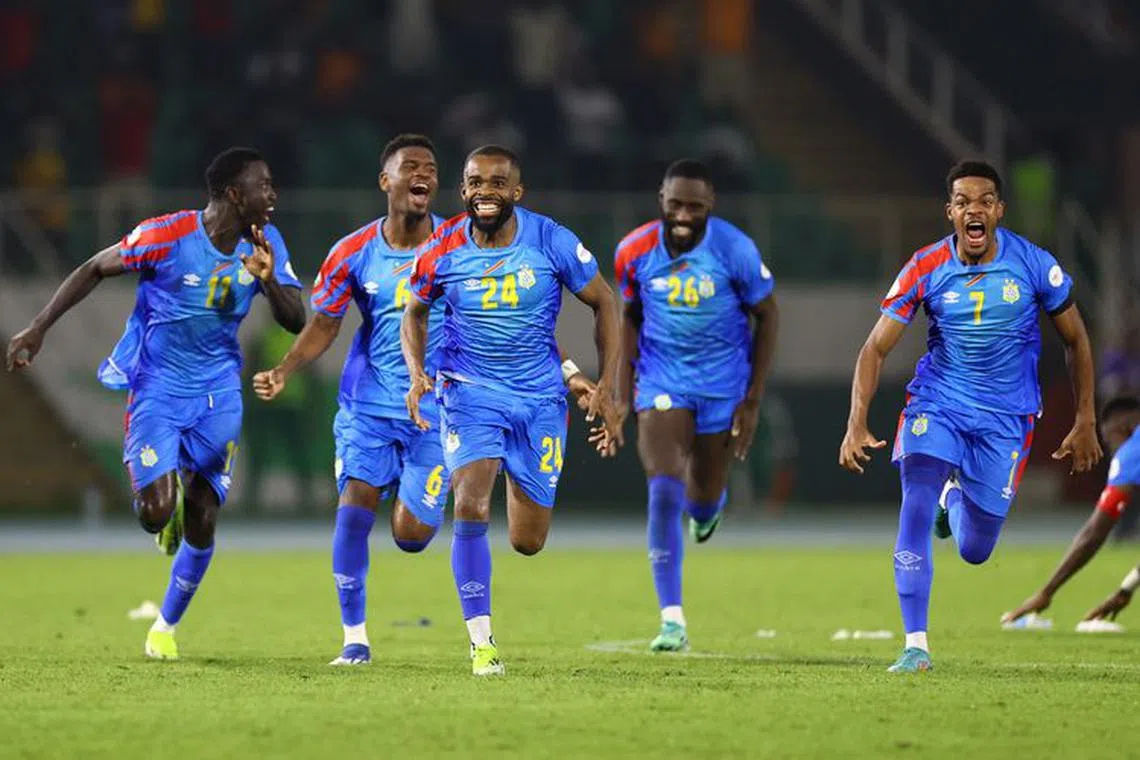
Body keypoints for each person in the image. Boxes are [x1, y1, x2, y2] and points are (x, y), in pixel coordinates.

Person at [253, 135, 599, 666]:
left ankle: (412, 490)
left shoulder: (462, 243)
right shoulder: (353, 251)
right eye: (410, 166)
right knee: (354, 509)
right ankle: (355, 639)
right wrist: (285, 368)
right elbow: (325, 324)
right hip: (369, 405)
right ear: (385, 181)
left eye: (430, 169)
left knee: (413, 536)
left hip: (439, 409)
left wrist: (570, 370)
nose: (422, 175)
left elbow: (518, 326)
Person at [6, 147, 306, 660]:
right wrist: (37, 328)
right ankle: (163, 512)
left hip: (218, 394)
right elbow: (94, 268)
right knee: (155, 513)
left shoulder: (267, 243)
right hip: (158, 390)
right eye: (264, 185)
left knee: (205, 515)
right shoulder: (166, 235)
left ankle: (165, 626)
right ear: (235, 194)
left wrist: (267, 277)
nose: (273, 195)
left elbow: (296, 319)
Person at [838, 159, 1102, 673]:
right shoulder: (925, 266)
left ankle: (953, 495)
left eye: (984, 200)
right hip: (937, 403)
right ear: (950, 213)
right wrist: (856, 419)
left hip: (1005, 418)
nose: (973, 209)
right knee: (914, 504)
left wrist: (1085, 417)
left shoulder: (1033, 264)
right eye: (963, 202)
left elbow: (1076, 339)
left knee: (976, 549)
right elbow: (874, 348)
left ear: (999, 210)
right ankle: (916, 644)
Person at [401, 144, 623, 676]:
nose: (485, 192)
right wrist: (416, 374)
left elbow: (606, 302)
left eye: (497, 183)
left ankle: (509, 474)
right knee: (471, 506)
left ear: (516, 192)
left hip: (540, 399)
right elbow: (414, 311)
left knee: (528, 541)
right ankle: (482, 644)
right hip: (468, 391)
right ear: (463, 190)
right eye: (476, 182)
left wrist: (607, 387)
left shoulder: (551, 241)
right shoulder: (441, 248)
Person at [610, 158, 777, 652]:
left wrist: (752, 401)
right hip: (662, 380)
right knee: (663, 488)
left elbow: (768, 316)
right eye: (676, 203)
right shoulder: (634, 251)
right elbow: (629, 314)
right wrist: (622, 392)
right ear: (661, 200)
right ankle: (672, 619)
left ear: (710, 206)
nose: (684, 214)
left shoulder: (734, 249)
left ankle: (708, 509)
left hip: (723, 387)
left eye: (694, 206)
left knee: (702, 495)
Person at [1003, 396, 1140, 625]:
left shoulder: (1132, 450)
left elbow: (1094, 532)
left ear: (1123, 429)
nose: (1112, 453)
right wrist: (1126, 589)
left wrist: (1046, 592)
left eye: (1109, 442)